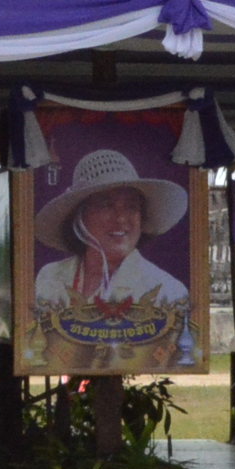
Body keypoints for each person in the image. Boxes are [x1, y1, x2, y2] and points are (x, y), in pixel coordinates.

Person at [31, 147, 197, 368]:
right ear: (79, 217)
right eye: (106, 205)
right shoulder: (50, 277)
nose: (121, 219)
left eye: (131, 207)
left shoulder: (169, 290)